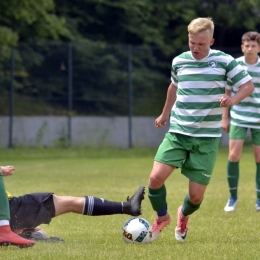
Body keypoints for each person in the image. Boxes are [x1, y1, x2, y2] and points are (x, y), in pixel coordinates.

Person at [147, 17, 254, 243]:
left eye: (201, 44)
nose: (195, 48)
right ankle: (162, 217)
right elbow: (173, 87)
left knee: (195, 197)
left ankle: (183, 215)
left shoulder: (225, 62)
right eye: (192, 42)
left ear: (212, 41)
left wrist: (232, 100)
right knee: (155, 179)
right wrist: (164, 114)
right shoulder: (179, 61)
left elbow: (247, 85)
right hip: (178, 132)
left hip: (206, 138)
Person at [3, 166, 145, 241]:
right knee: (69, 203)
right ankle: (126, 207)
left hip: (8, 209)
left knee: (38, 230)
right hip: (8, 209)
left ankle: (22, 235)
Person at [222, 31, 260, 212]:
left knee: (259, 158)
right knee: (233, 155)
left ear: (259, 48)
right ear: (242, 47)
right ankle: (232, 198)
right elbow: (227, 93)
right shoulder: (235, 65)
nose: (250, 48)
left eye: (253, 45)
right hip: (239, 116)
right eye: (247, 45)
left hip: (258, 119)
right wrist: (225, 117)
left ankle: (259, 199)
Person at [0, 166, 35, 248]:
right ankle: (3, 230)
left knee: (36, 228)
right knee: (70, 202)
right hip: (11, 205)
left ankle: (37, 235)